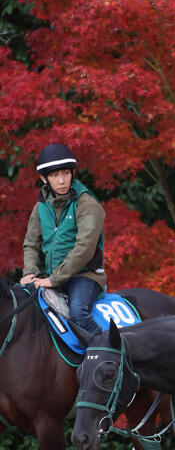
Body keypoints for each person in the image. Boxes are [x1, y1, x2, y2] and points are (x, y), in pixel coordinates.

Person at [20, 143, 106, 338]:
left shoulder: (87, 203)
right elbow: (31, 244)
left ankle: (111, 356)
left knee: (78, 315)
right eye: (54, 175)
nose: (61, 181)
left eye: (66, 174)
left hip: (85, 276)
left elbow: (84, 248)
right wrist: (30, 271)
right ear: (44, 178)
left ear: (72, 174)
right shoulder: (40, 208)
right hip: (51, 277)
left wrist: (53, 279)